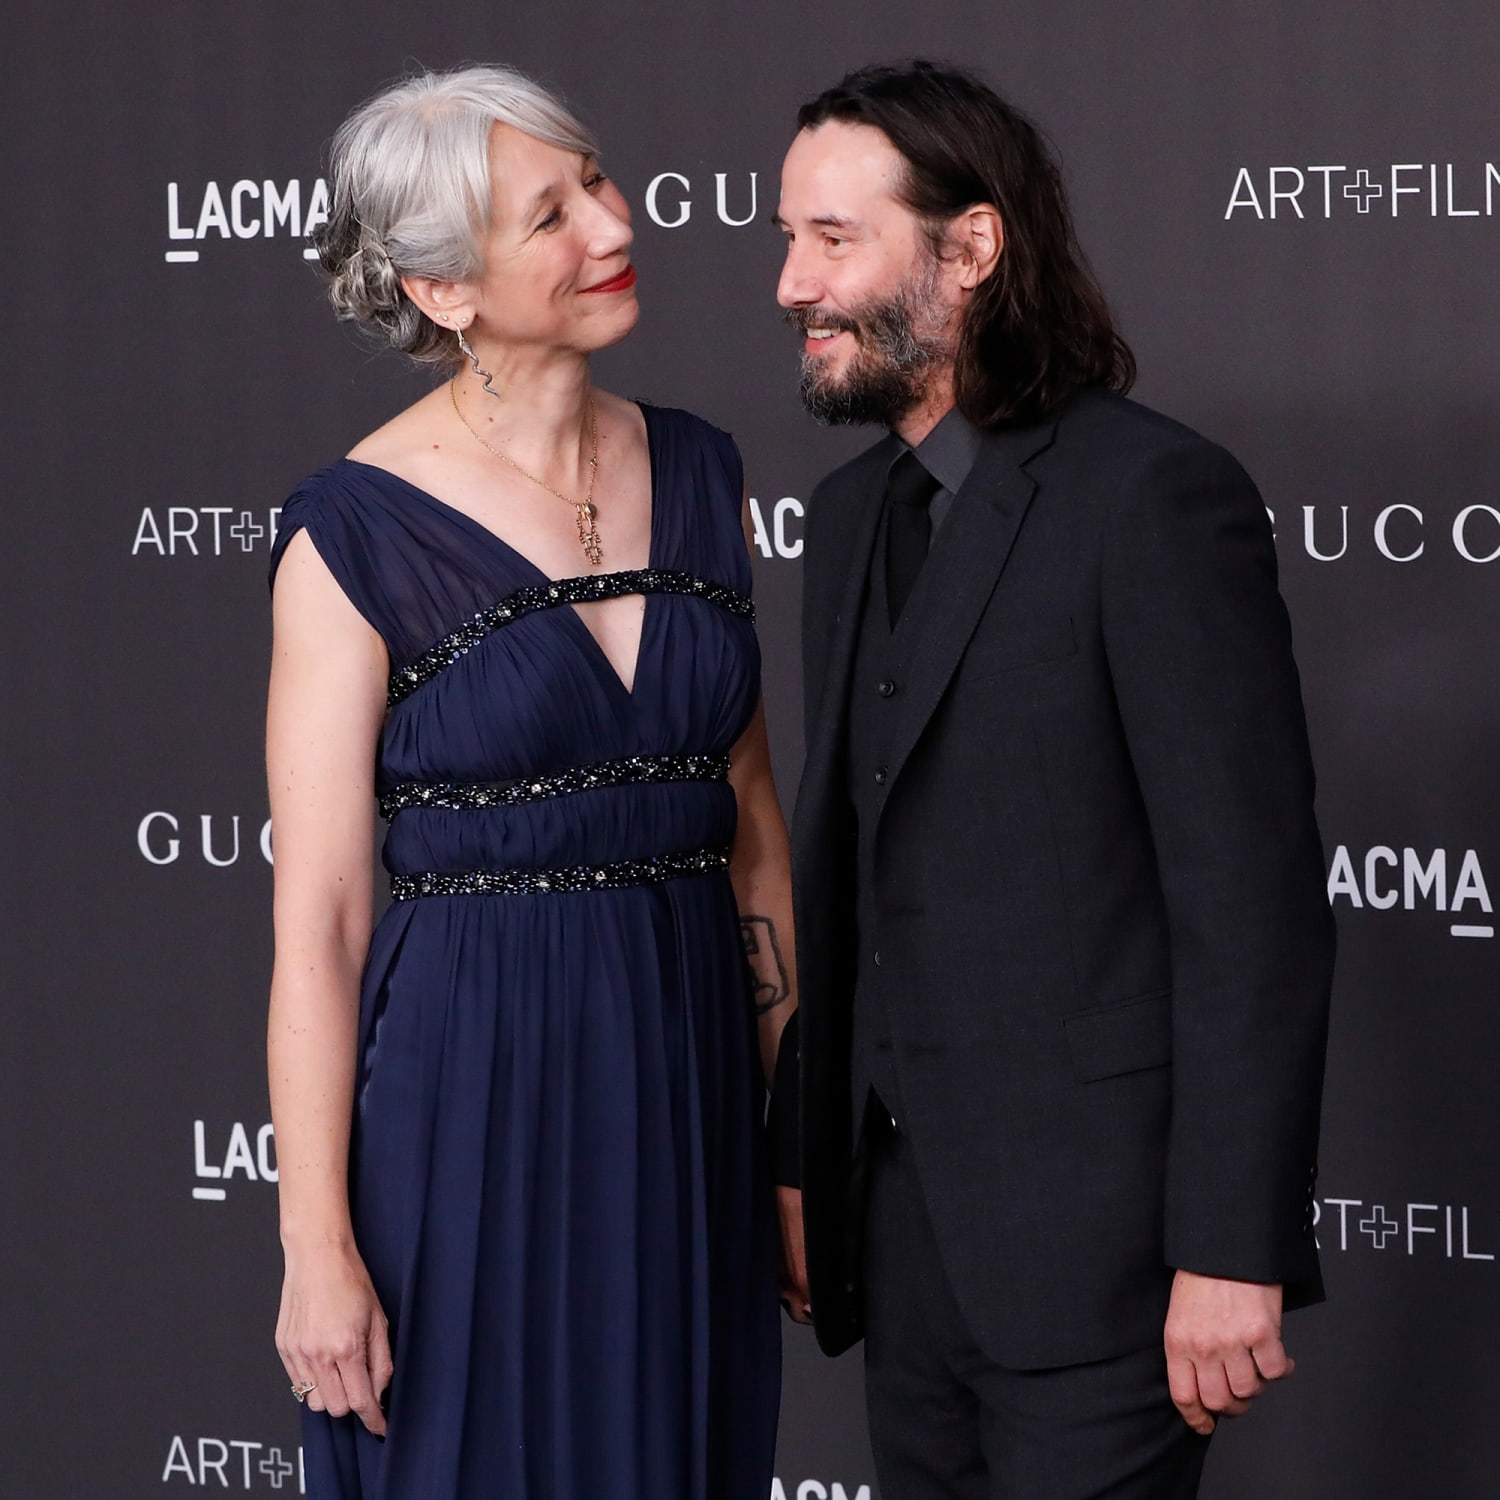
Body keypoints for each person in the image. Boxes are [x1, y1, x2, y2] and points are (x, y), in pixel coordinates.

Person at [767, 60, 1334, 1499]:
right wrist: (804, 1154)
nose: (792, 285)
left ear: (970, 248)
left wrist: (1232, 1246)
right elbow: (851, 874)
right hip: (901, 1252)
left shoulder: (1149, 498)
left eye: (834, 240)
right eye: (788, 240)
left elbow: (1249, 906)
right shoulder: (846, 520)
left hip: (1105, 1258)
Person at [265, 64, 791, 1500]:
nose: (611, 226)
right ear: (443, 289)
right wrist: (316, 1245)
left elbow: (751, 830)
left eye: (597, 182)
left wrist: (790, 1135)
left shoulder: (702, 470)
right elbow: (320, 923)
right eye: (550, 216)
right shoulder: (352, 534)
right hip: (470, 1093)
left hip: (686, 1088)